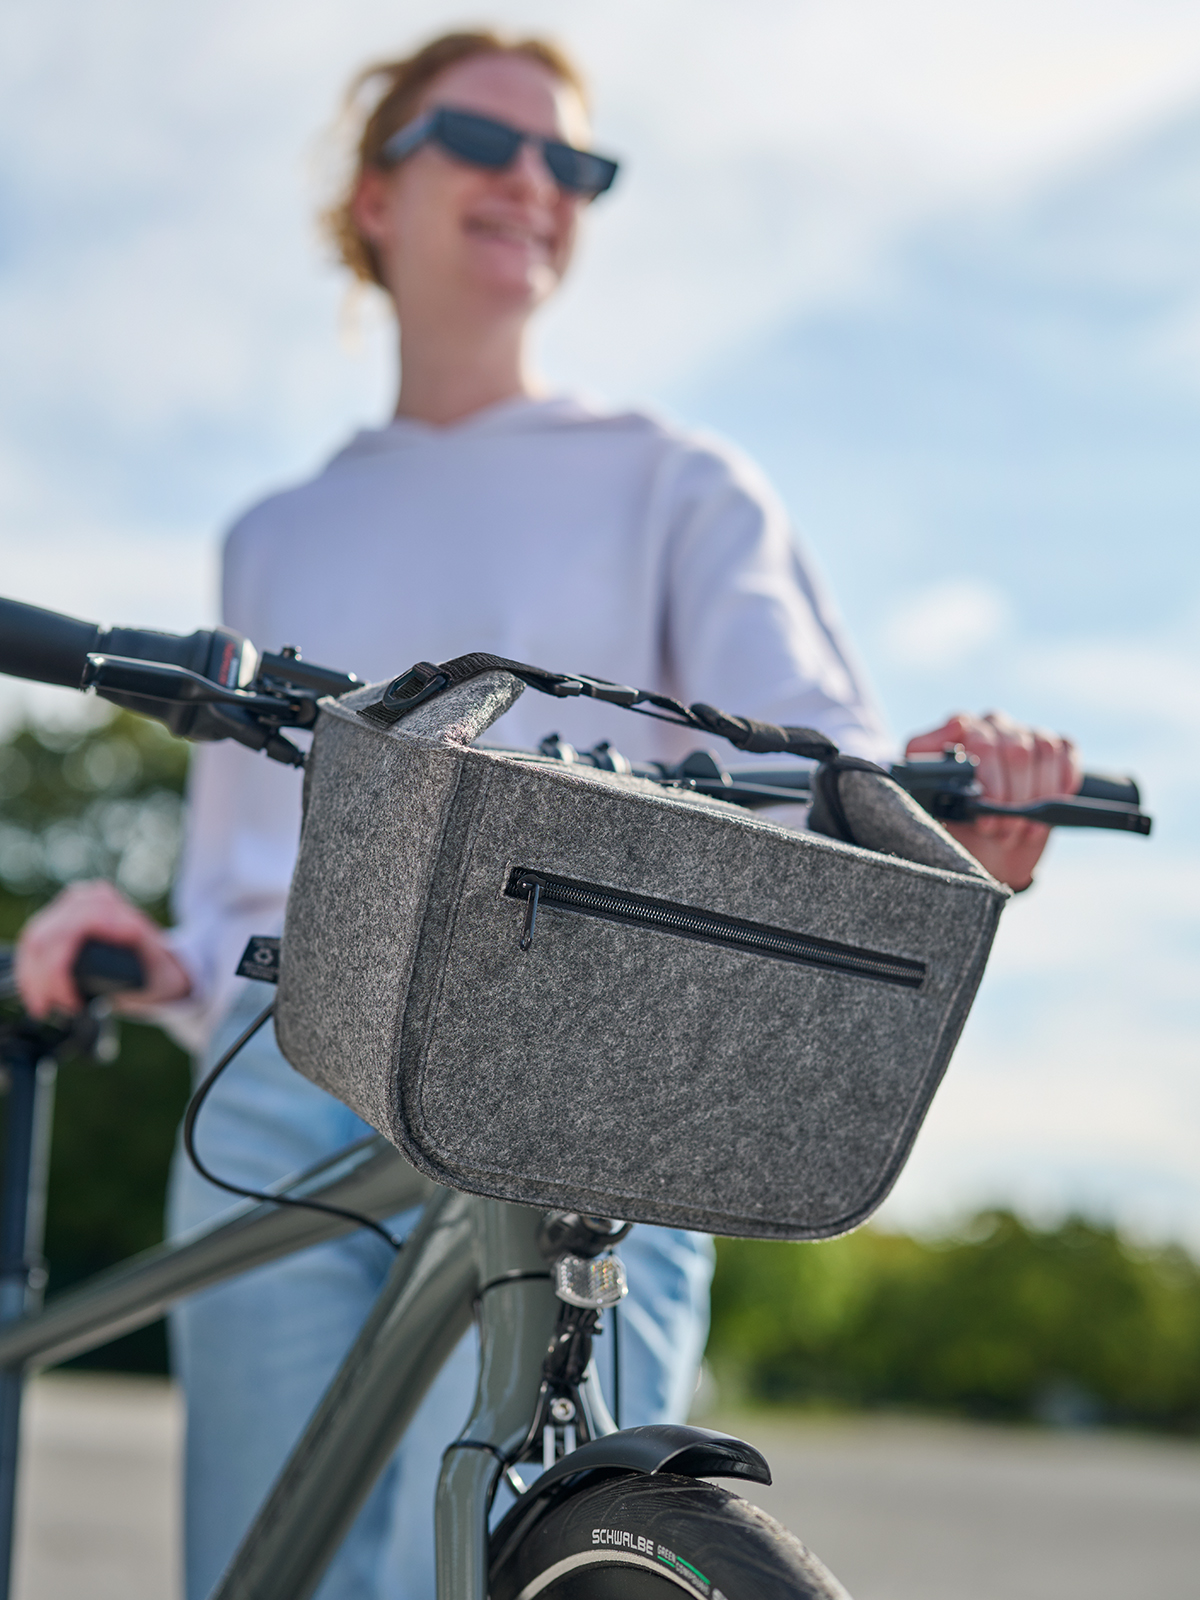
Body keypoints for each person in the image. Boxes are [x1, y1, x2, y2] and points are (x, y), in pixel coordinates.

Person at [15, 27, 1080, 1600]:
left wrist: (940, 818)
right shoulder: (276, 530)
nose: (538, 184)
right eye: (488, 143)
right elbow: (253, 874)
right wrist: (154, 954)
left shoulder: (674, 482)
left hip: (582, 1062)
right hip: (275, 1075)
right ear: (374, 192)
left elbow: (826, 767)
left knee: (558, 1544)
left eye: (574, 163)